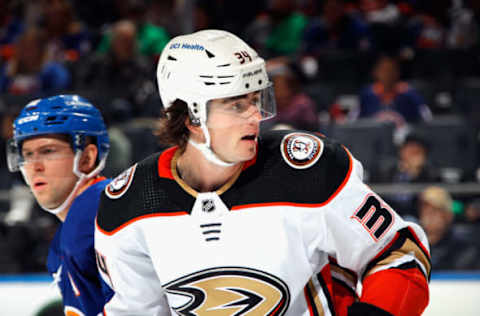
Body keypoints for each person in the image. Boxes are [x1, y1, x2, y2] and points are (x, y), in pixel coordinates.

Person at [95, 29, 431, 316]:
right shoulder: (129, 205)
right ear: (190, 116)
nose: (256, 116)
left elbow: (399, 253)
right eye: (237, 105)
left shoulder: (306, 171)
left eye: (257, 100)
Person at [7, 95, 112, 314]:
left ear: (87, 158)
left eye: (48, 151)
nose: (34, 166)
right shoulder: (68, 232)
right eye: (27, 155)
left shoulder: (101, 210)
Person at [418, 186, 480, 270]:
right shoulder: (415, 244)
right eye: (425, 210)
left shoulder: (462, 247)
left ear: (447, 215)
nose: (428, 216)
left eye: (434, 211)